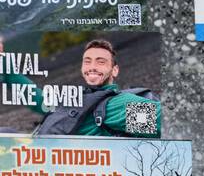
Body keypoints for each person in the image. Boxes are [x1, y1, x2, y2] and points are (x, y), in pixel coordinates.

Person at [1, 36, 162, 137]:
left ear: (115, 70)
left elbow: (165, 122)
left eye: (101, 62)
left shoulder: (116, 105)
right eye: (87, 61)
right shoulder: (79, 102)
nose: (92, 67)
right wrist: (6, 69)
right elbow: (39, 101)